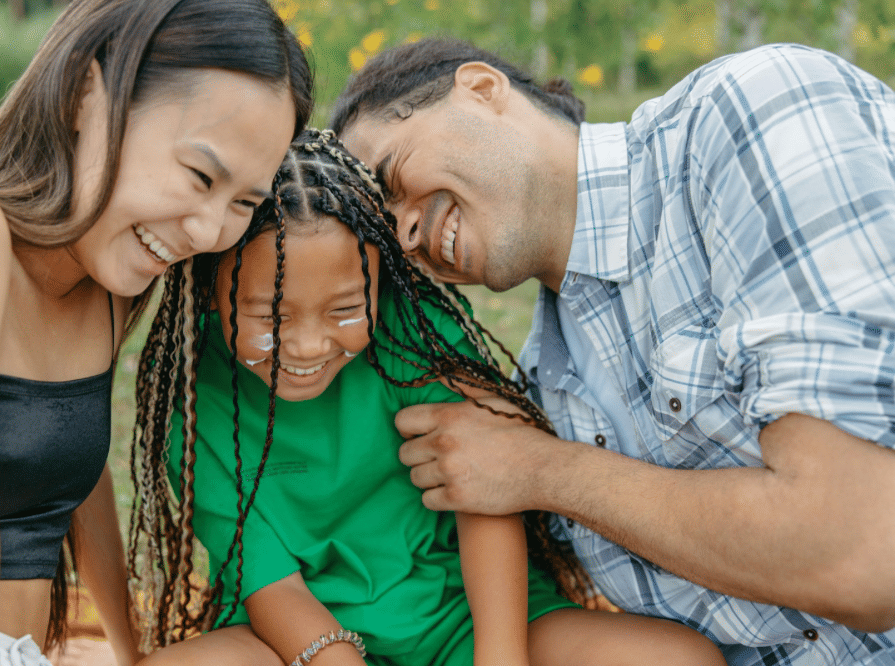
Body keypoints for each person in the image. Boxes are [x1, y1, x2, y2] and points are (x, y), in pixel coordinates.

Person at [330, 38, 895, 665]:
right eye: (385, 234)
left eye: (392, 175)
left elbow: (866, 556)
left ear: (483, 89)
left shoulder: (745, 112)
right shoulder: (538, 392)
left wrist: (543, 472)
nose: (405, 234)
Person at [126, 128, 727, 666]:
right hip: (305, 641)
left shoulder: (414, 342)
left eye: (344, 310)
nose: (308, 346)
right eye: (269, 316)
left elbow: (484, 497)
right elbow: (269, 585)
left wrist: (499, 656)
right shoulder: (198, 400)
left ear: (381, 282)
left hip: (464, 619)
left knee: (680, 659)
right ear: (209, 292)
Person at [0, 0, 312, 664]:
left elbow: (67, 465)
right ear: (88, 94)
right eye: (200, 175)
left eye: (242, 203)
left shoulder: (109, 284)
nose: (206, 233)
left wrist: (130, 649)